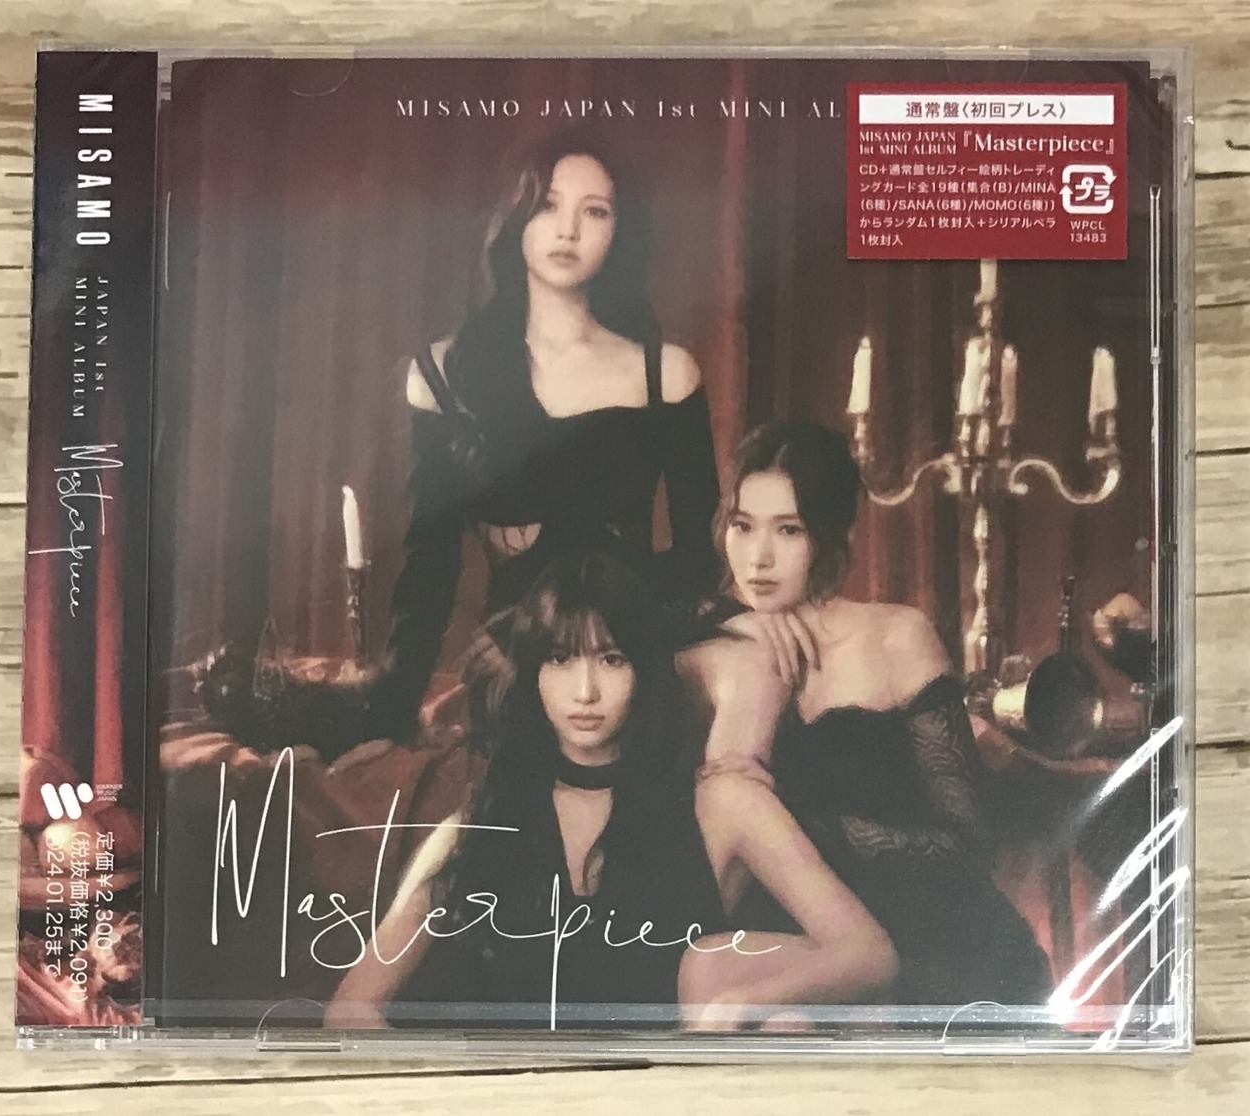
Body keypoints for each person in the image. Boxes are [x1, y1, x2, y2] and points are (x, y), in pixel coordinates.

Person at [677, 421, 1051, 1024]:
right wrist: (729, 631)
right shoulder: (713, 646)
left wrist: (804, 833)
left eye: (789, 530)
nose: (758, 557)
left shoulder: (895, 636)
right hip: (795, 931)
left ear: (830, 537)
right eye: (743, 526)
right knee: (733, 991)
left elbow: (968, 839)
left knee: (782, 1020)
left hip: (926, 928)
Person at [370, 128, 721, 748]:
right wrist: (394, 706)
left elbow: (697, 561)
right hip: (513, 668)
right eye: (548, 205)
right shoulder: (442, 373)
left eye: (595, 211)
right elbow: (429, 568)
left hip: (626, 658)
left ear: (620, 232)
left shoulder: (664, 374)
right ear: (515, 218)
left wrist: (584, 627)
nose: (569, 230)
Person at [324, 551, 725, 1030]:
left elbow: (820, 948)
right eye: (560, 659)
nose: (585, 692)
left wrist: (742, 1002)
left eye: (612, 659)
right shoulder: (474, 829)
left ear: (642, 672)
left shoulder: (698, 814)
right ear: (533, 672)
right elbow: (349, 1009)